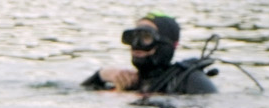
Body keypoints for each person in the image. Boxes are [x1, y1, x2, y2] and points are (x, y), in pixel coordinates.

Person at [84, 14, 217, 95]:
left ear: (167, 44)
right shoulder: (130, 81)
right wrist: (101, 76)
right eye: (133, 37)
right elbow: (82, 95)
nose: (136, 44)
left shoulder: (192, 80)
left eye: (146, 37)